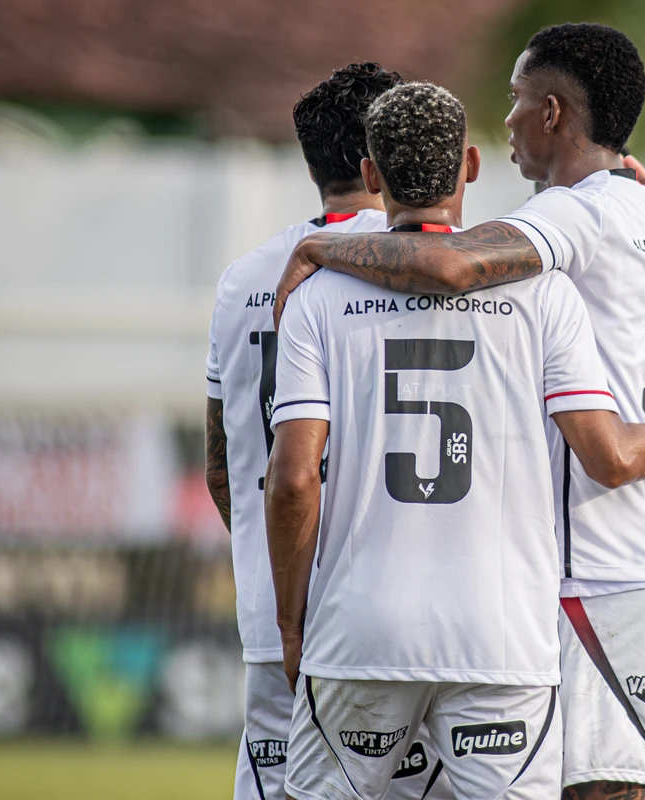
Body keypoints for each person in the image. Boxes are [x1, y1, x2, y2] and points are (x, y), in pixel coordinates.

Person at [272, 24, 645, 800]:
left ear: (554, 113)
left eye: (517, 102)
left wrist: (327, 248)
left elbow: (454, 263)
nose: (508, 121)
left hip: (617, 567)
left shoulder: (577, 214)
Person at [204, 62, 452, 800]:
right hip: (417, 610)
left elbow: (223, 467)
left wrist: (275, 574)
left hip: (277, 613)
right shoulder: (446, 264)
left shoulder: (245, 275)